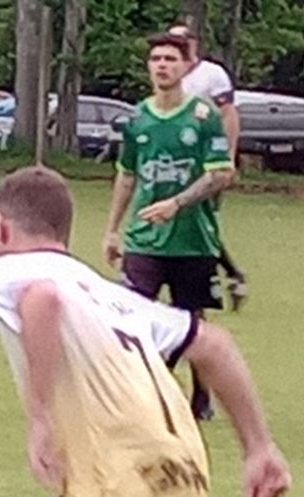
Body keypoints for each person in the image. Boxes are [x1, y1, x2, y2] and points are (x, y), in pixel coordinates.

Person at [0, 166, 291, 497]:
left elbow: (44, 298)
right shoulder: (110, 296)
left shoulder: (8, 270)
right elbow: (214, 344)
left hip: (114, 466)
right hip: (180, 464)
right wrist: (259, 447)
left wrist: (39, 418)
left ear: (1, 228)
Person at [103, 33, 235, 421]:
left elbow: (220, 173)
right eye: (156, 59)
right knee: (132, 315)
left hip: (192, 240)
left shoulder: (204, 117)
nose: (162, 65)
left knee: (190, 320)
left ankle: (201, 395)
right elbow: (127, 175)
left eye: (170, 59)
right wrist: (112, 229)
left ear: (185, 67)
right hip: (144, 239)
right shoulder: (137, 119)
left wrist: (176, 203)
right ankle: (140, 394)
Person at [168, 22, 248, 311]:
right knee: (184, 219)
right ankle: (229, 274)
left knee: (200, 220)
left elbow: (228, 115)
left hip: (208, 160)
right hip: (178, 162)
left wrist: (228, 156)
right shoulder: (171, 74)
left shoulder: (211, 74)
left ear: (194, 43)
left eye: (181, 41)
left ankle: (217, 277)